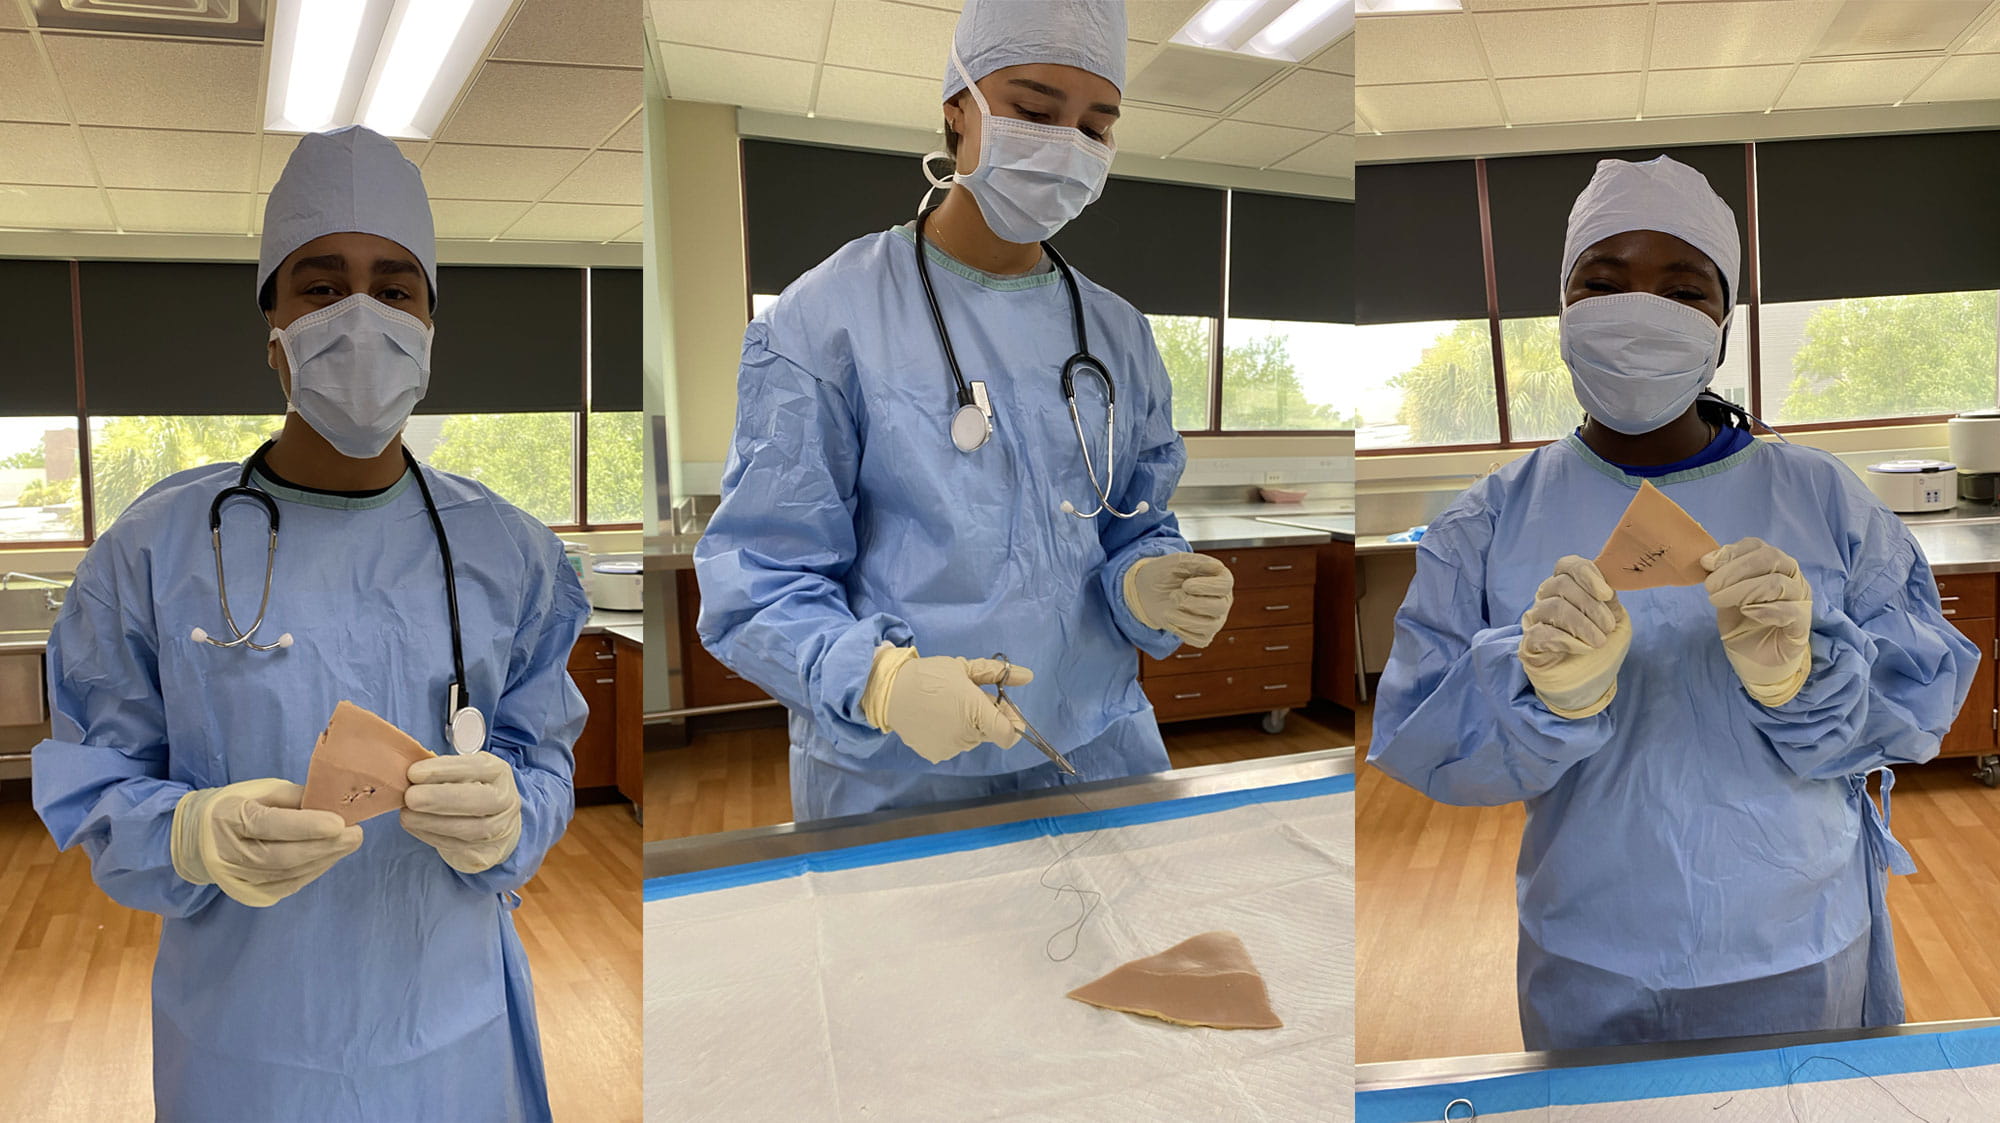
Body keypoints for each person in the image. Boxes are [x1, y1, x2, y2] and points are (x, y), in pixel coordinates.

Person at [32, 126, 590, 1120]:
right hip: (246, 1042)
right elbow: (96, 782)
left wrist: (516, 809)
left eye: (395, 286)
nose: (360, 314)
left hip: (449, 1032)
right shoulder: (155, 549)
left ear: (428, 326)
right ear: (274, 332)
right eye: (321, 286)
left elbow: (542, 762)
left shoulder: (511, 553)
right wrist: (192, 833)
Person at [1369, 155, 1978, 1051]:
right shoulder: (1492, 518)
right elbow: (1425, 738)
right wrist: (1541, 693)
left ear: (1721, 325)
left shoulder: (1821, 498)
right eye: (1604, 283)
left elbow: (1919, 704)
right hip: (1592, 946)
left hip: (1794, 934)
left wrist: (1809, 680)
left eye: (1682, 288)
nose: (1640, 311)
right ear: (1565, 309)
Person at [695, 0, 1235, 822]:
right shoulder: (823, 319)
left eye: (1095, 127)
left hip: (1093, 747)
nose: (1065, 145)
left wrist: (1148, 578)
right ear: (959, 106)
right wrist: (879, 681)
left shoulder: (1117, 334)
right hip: (895, 771)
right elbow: (761, 578)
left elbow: (1130, 520)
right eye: (1033, 110)